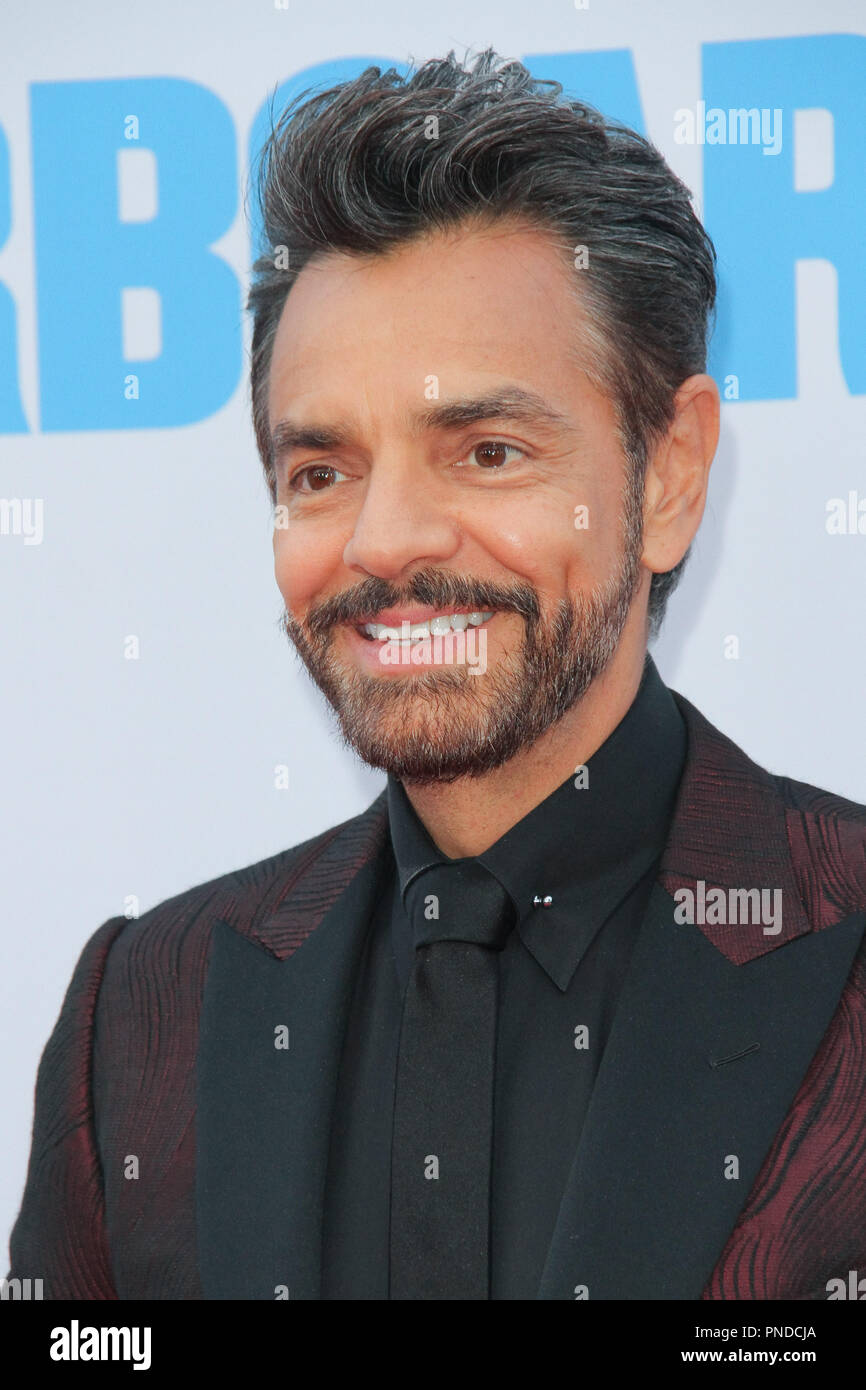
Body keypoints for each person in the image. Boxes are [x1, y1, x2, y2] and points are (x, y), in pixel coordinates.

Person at [8, 49, 866, 1301]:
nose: (381, 540)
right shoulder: (145, 1003)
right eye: (320, 470)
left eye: (486, 449)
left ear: (669, 475)